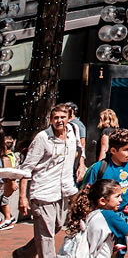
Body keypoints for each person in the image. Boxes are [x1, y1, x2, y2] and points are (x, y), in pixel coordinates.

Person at [15, 104, 81, 258]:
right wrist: (22, 197)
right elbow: (26, 168)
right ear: (51, 120)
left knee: (57, 226)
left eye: (62, 117)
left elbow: (79, 148)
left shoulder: (73, 131)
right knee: (46, 235)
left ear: (69, 118)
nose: (59, 121)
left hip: (64, 190)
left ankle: (24, 254)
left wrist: (82, 164)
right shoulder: (42, 138)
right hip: (43, 192)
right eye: (55, 118)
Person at [81, 128, 128, 236]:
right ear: (113, 151)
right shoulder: (99, 168)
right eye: (126, 149)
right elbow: (85, 194)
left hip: (123, 215)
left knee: (120, 249)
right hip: (103, 215)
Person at [62, 178, 128, 258]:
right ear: (102, 201)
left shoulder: (88, 211)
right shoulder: (109, 215)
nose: (121, 200)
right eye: (117, 196)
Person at [1, 134, 19, 230]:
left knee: (3, 201)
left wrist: (13, 182)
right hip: (6, 182)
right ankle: (10, 217)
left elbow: (11, 170)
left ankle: (8, 220)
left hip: (6, 182)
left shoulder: (8, 157)